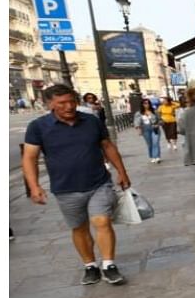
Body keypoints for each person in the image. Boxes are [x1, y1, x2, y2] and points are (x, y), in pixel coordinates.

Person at [21, 85, 130, 285]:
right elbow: (29, 157)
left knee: (102, 222)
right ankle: (90, 266)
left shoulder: (91, 121)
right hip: (65, 188)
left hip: (99, 183)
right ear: (49, 104)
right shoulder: (38, 127)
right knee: (79, 228)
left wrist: (122, 172)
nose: (69, 106)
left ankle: (108, 265)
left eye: (72, 101)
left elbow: (107, 146)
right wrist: (34, 186)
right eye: (62, 103)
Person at [136, 99, 162, 163]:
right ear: (142, 104)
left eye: (148, 103)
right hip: (145, 129)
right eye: (145, 103)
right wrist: (139, 129)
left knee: (155, 143)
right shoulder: (139, 113)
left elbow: (161, 120)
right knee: (149, 144)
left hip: (155, 128)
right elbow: (136, 122)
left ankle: (157, 157)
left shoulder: (154, 111)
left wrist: (157, 125)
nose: (146, 104)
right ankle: (152, 157)